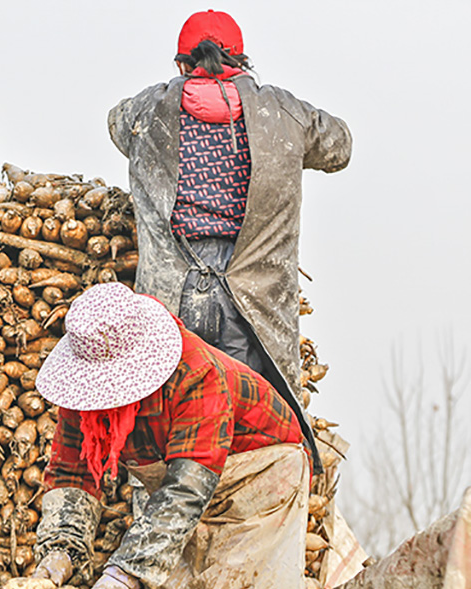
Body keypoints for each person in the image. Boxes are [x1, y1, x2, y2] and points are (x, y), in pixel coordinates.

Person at [107, 10, 351, 470]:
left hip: (173, 300)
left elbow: (115, 125)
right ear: (241, 61)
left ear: (181, 64)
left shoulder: (147, 110)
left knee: (170, 425)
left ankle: (172, 520)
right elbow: (340, 146)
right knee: (241, 427)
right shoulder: (283, 113)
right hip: (248, 300)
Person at [31, 283, 310, 589]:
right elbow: (73, 472)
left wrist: (122, 574)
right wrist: (61, 549)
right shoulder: (84, 398)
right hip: (178, 484)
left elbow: (187, 487)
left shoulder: (195, 373)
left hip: (257, 479)